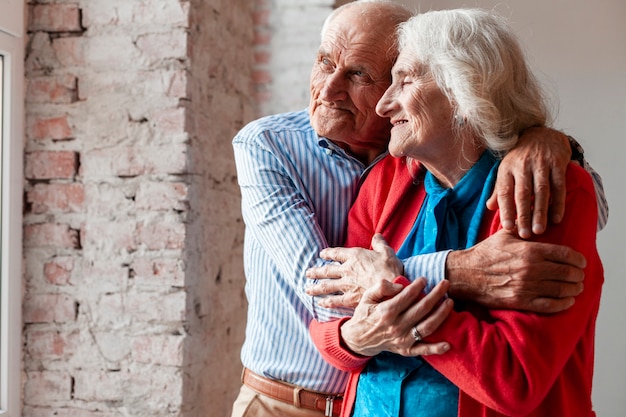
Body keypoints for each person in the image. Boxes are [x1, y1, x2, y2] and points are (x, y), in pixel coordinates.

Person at [231, 1, 607, 416]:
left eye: (366, 75)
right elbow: (328, 301)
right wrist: (456, 273)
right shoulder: (280, 149)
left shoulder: (532, 182)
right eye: (324, 61)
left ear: (465, 92)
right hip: (283, 399)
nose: (383, 104)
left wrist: (550, 141)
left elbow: (513, 381)